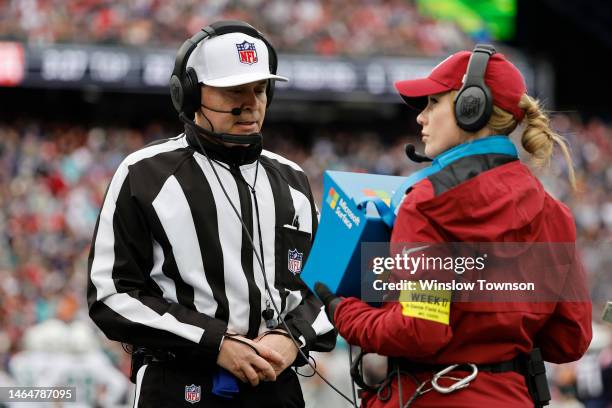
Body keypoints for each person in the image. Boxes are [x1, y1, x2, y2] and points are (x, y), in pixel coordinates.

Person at [315, 45, 592, 407]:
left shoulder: (427, 201)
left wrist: (343, 310)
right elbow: (570, 339)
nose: (421, 118)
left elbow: (418, 331)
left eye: (432, 103)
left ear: (470, 108)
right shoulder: (556, 213)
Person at [87, 20, 336, 408]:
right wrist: (214, 342)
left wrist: (292, 338)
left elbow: (327, 282)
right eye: (235, 90)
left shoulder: (293, 180)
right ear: (187, 95)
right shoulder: (144, 173)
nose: (251, 102)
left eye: (259, 89)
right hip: (179, 383)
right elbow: (111, 295)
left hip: (275, 385)